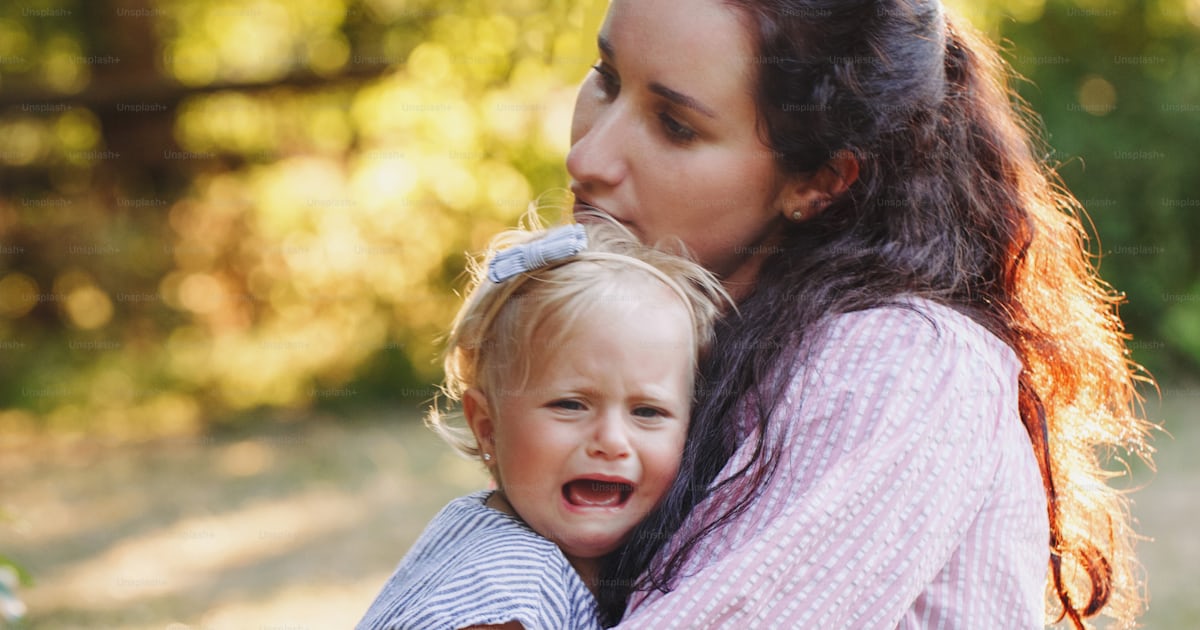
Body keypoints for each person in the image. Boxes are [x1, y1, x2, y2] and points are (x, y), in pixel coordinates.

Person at [566, 0, 1154, 628]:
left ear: (818, 179)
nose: (587, 159)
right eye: (606, 78)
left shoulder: (904, 364)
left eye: (675, 125)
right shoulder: (684, 337)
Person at [357, 219, 730, 630]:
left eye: (647, 412)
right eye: (570, 405)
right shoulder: (510, 587)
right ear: (487, 427)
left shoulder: (479, 527)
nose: (610, 441)